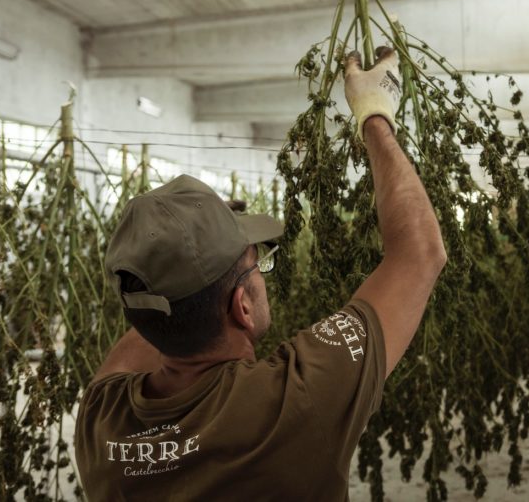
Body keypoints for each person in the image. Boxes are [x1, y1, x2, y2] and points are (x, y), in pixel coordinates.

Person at [74, 47, 447, 501]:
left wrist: (190, 233)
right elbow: (419, 253)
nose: (262, 273)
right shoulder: (294, 405)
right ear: (242, 306)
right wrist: (375, 115)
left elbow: (157, 311)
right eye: (258, 264)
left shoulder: (101, 422)